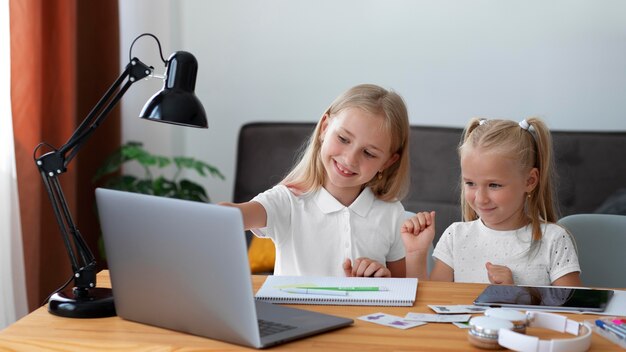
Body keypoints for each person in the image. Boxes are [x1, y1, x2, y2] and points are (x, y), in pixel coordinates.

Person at [221, 84, 411, 277]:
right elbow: (229, 217)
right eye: (344, 139)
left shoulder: (392, 214)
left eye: (368, 153)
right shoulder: (286, 202)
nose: (350, 159)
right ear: (324, 128)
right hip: (290, 309)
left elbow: (401, 290)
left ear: (387, 162)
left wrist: (383, 282)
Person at [402, 117, 582, 286]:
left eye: (494, 185)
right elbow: (433, 303)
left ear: (530, 181)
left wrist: (516, 293)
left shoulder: (554, 240)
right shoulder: (455, 236)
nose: (480, 198)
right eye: (470, 183)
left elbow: (573, 309)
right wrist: (415, 254)